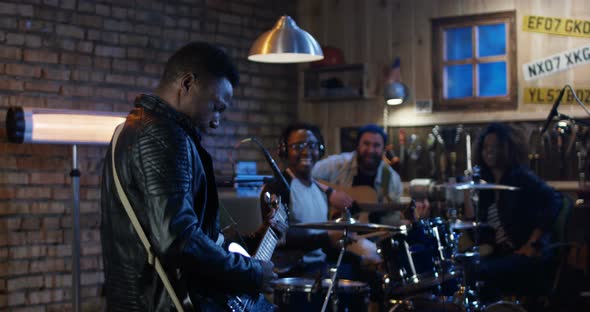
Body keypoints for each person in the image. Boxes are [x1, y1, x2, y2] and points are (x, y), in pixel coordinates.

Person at [100, 42, 280, 311]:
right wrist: (251, 273)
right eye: (217, 107)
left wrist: (256, 238)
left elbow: (190, 233)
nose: (217, 121)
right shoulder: (161, 134)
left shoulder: (140, 128)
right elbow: (178, 239)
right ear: (186, 83)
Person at [260, 123, 384, 307]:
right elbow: (280, 238)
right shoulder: (277, 188)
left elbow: (322, 244)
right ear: (284, 150)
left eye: (312, 145)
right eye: (298, 146)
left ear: (320, 149)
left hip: (318, 268)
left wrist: (361, 256)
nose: (306, 151)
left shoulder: (318, 190)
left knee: (372, 279)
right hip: (292, 274)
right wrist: (327, 238)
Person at [463, 122, 562, 300]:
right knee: (467, 269)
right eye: (485, 147)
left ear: (506, 149)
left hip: (525, 254)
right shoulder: (484, 186)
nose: (489, 151)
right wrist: (466, 195)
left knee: (481, 272)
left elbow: (553, 200)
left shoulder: (521, 177)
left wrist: (532, 243)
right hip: (500, 254)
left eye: (495, 147)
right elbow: (476, 232)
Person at [312, 124, 405, 224]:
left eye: (376, 145)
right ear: (358, 145)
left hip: (371, 236)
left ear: (383, 148)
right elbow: (303, 177)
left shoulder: (392, 179)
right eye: (366, 144)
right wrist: (330, 194)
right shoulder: (338, 164)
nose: (370, 150)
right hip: (330, 231)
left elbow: (394, 217)